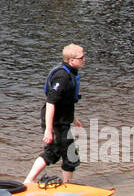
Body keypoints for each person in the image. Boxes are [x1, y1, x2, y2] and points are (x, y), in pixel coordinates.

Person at [23, 44, 86, 185]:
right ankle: (29, 181)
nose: (84, 60)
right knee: (56, 152)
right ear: (71, 60)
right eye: (81, 57)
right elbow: (51, 102)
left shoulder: (71, 73)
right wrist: (48, 130)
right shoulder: (62, 77)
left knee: (68, 153)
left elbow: (68, 101)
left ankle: (67, 184)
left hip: (63, 120)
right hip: (55, 120)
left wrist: (75, 119)